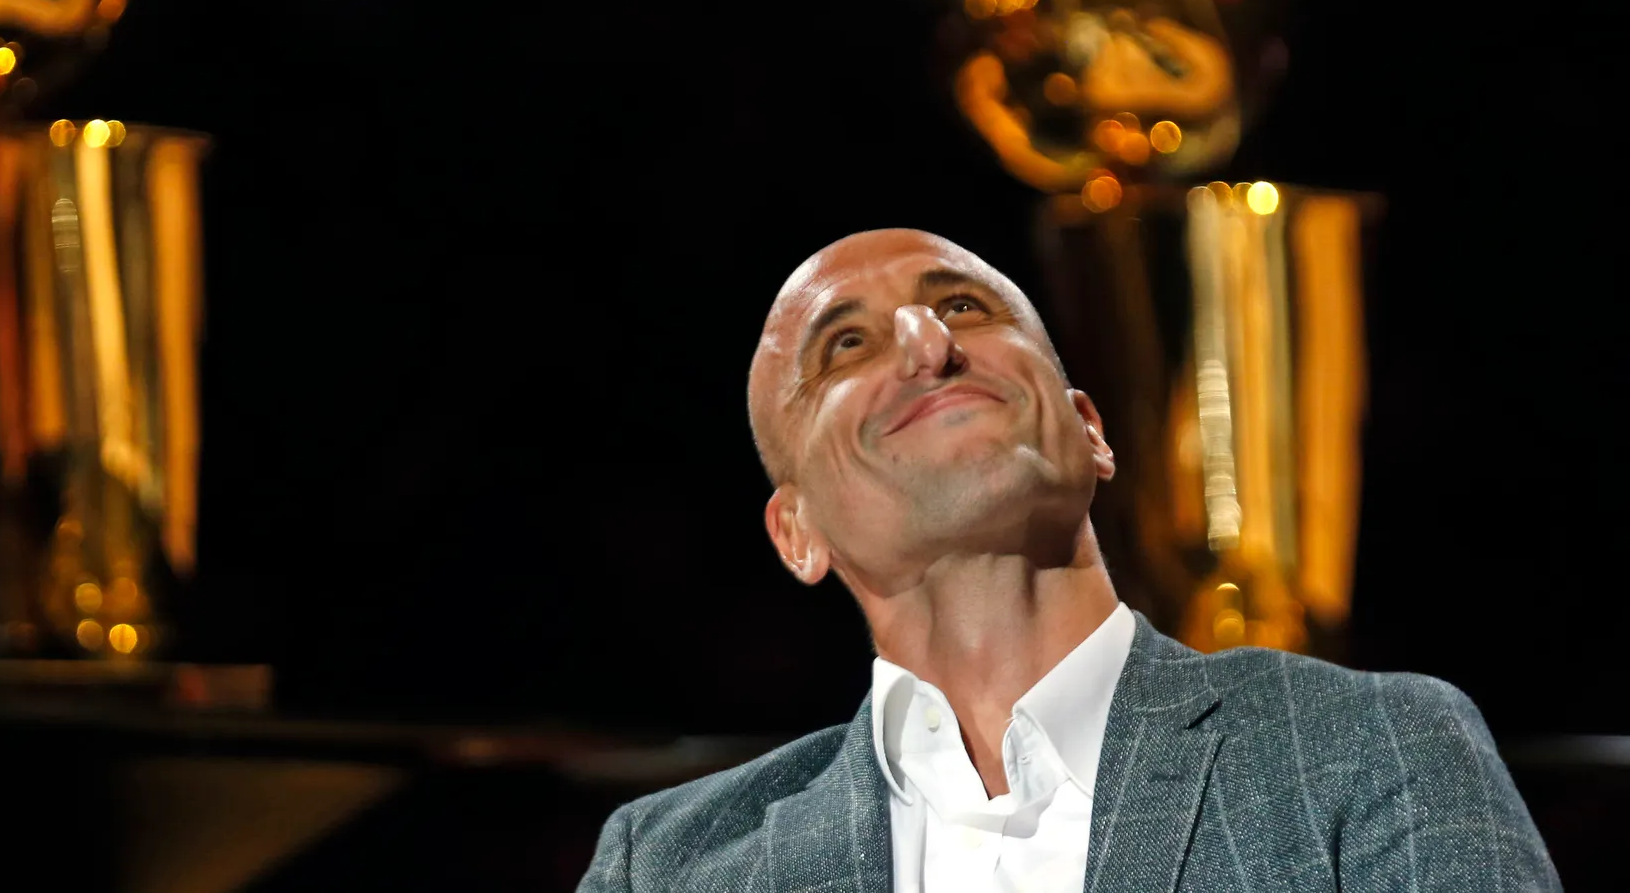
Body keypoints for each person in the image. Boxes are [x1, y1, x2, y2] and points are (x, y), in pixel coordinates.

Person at [578, 228, 1558, 892]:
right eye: (844, 346)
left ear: (1089, 431)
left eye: (964, 306)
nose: (926, 343)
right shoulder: (668, 864)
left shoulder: (1372, 743)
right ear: (797, 532)